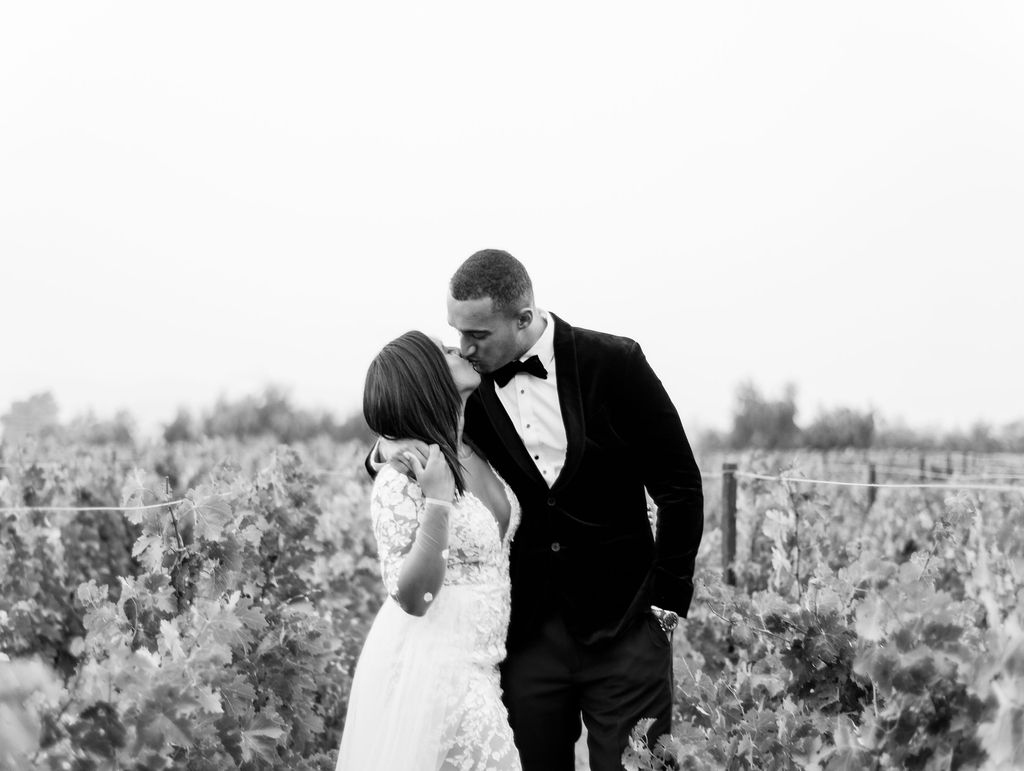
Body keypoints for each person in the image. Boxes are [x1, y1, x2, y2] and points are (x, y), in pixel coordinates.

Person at [372, 249, 704, 771]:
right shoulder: (469, 387)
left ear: (523, 319)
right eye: (457, 333)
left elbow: (680, 484)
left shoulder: (614, 364)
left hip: (626, 628)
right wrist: (383, 453)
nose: (464, 348)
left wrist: (666, 605)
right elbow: (413, 426)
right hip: (524, 640)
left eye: (477, 335)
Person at [336, 330, 522, 771]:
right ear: (426, 379)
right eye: (443, 350)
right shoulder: (401, 479)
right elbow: (412, 597)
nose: (459, 347)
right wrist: (437, 502)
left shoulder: (473, 445)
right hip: (437, 672)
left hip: (487, 666)